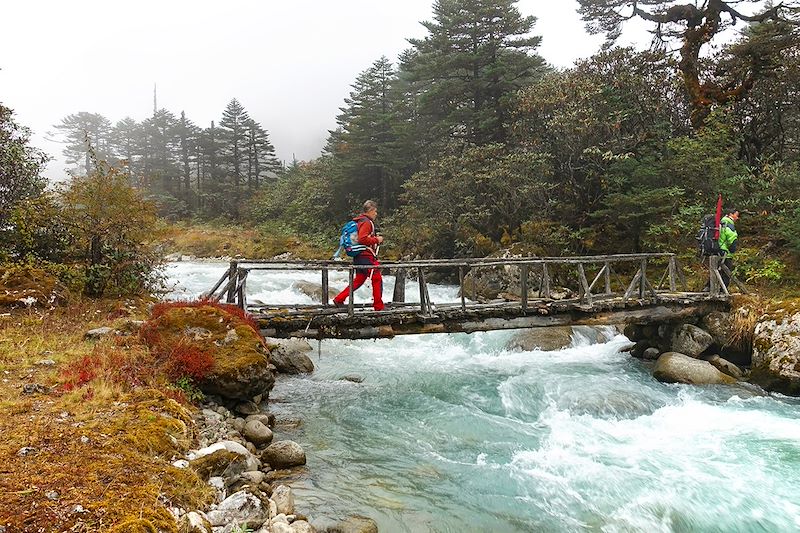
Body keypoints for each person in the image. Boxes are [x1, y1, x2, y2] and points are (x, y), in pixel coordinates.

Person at [333, 200, 385, 311]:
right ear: (370, 210)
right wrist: (377, 239)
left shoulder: (359, 221)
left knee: (359, 280)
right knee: (377, 278)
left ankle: (339, 299)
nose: (376, 214)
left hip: (359, 256)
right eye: (375, 211)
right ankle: (379, 307)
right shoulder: (366, 222)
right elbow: (362, 239)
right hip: (366, 256)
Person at [717, 207, 740, 287]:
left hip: (718, 250)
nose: (737, 218)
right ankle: (723, 291)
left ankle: (709, 287)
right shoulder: (729, 225)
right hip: (726, 252)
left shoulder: (721, 223)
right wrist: (733, 250)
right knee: (726, 273)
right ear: (731, 214)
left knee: (717, 271)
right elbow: (732, 239)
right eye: (736, 215)